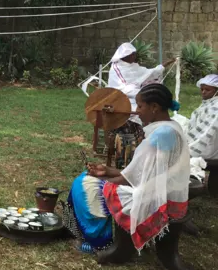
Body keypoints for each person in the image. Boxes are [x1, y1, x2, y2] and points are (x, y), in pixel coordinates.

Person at [65, 84, 190, 257]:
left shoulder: (161, 135)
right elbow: (142, 172)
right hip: (165, 193)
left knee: (84, 183)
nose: (137, 111)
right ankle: (87, 232)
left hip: (155, 198)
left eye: (140, 106)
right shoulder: (172, 127)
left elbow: (137, 178)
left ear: (154, 107)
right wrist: (107, 170)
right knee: (90, 178)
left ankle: (100, 242)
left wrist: (107, 180)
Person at [185, 74, 218, 182]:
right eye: (202, 89)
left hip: (209, 148)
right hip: (208, 144)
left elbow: (207, 131)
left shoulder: (216, 107)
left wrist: (188, 146)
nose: (203, 92)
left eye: (207, 90)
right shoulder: (208, 103)